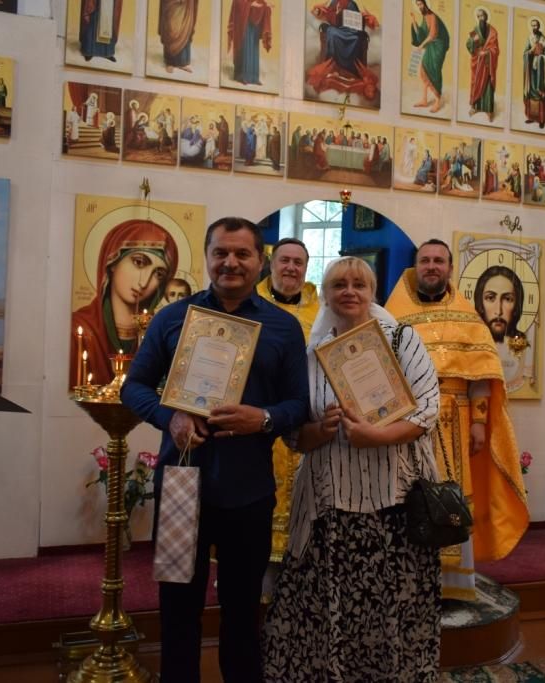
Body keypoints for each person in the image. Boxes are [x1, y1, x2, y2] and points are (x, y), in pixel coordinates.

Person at [122, 217, 309, 682]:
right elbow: (134, 387)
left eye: (242, 253)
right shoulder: (172, 318)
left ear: (260, 261)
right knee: (178, 608)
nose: (231, 262)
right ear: (207, 257)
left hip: (249, 489)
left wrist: (262, 418)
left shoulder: (283, 327)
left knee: (243, 609)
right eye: (220, 252)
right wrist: (170, 416)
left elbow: (298, 404)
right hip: (182, 484)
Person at [263, 256, 441, 681]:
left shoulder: (402, 340)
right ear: (324, 294)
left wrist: (376, 436)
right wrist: (319, 430)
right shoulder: (311, 355)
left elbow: (428, 410)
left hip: (394, 502)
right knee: (327, 605)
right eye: (339, 284)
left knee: (392, 603)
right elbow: (294, 435)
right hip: (329, 504)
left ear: (372, 293)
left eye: (359, 284)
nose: (349, 291)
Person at [386, 240, 527, 601]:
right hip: (408, 421)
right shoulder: (394, 314)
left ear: (450, 268)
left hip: (455, 420)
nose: (432, 266)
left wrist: (479, 421)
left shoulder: (468, 316)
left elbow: (480, 375)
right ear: (415, 266)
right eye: (425, 260)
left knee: (452, 496)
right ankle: (408, 580)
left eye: (439, 261)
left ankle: (453, 583)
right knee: (409, 495)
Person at [255, 238, 320, 582]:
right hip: (261, 418)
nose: (291, 268)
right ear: (271, 264)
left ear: (306, 268)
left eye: (298, 262)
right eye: (285, 261)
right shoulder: (251, 305)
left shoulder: (321, 312)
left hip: (307, 422)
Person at [69, 219, 178, 386]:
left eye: (159, 274)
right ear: (112, 261)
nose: (144, 282)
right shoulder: (77, 328)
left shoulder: (160, 333)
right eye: (139, 262)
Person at [306, 0, 380, 100]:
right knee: (332, 33)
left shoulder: (352, 4)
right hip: (337, 29)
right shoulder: (334, 2)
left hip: (351, 31)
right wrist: (322, 12)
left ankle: (352, 71)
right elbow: (326, 13)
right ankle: (333, 67)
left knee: (357, 38)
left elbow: (358, 20)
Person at [474, 265, 527, 389]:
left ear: (517, 305)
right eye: (490, 298)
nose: (498, 311)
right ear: (480, 303)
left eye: (508, 299)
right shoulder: (470, 345)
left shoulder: (525, 350)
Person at [410, 0, 449, 113]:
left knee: (435, 72)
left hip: (439, 46)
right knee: (424, 71)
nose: (419, 6)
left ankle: (437, 101)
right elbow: (421, 34)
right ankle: (424, 100)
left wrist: (421, 46)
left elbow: (432, 35)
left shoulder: (432, 16)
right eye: (418, 5)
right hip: (431, 46)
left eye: (421, 4)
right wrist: (413, 21)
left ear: (425, 4)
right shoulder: (425, 17)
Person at [227, 0, 273, 85]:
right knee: (246, 47)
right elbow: (237, 2)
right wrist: (250, 4)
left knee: (254, 47)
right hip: (244, 21)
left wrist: (266, 5)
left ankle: (254, 78)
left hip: (254, 20)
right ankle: (242, 76)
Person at [466, 7, 499, 120]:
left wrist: (487, 52)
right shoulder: (475, 30)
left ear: (486, 17)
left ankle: (489, 110)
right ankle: (475, 107)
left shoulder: (493, 31)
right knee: (476, 83)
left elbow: (495, 49)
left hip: (488, 63)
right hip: (478, 62)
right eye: (479, 16)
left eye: (482, 16)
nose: (481, 18)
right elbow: (468, 45)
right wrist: (473, 42)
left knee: (488, 86)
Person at [522, 17, 545, 128]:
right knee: (532, 92)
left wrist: (541, 57)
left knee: (540, 94)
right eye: (532, 25)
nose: (534, 27)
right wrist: (530, 51)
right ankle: (532, 117)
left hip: (541, 72)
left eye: (535, 25)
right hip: (532, 70)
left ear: (539, 26)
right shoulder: (530, 38)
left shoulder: (544, 40)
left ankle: (541, 119)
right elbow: (525, 53)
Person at [159, 0, 198, 73]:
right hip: (172, 3)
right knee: (171, 27)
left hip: (187, 4)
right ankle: (170, 62)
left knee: (185, 28)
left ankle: (182, 63)